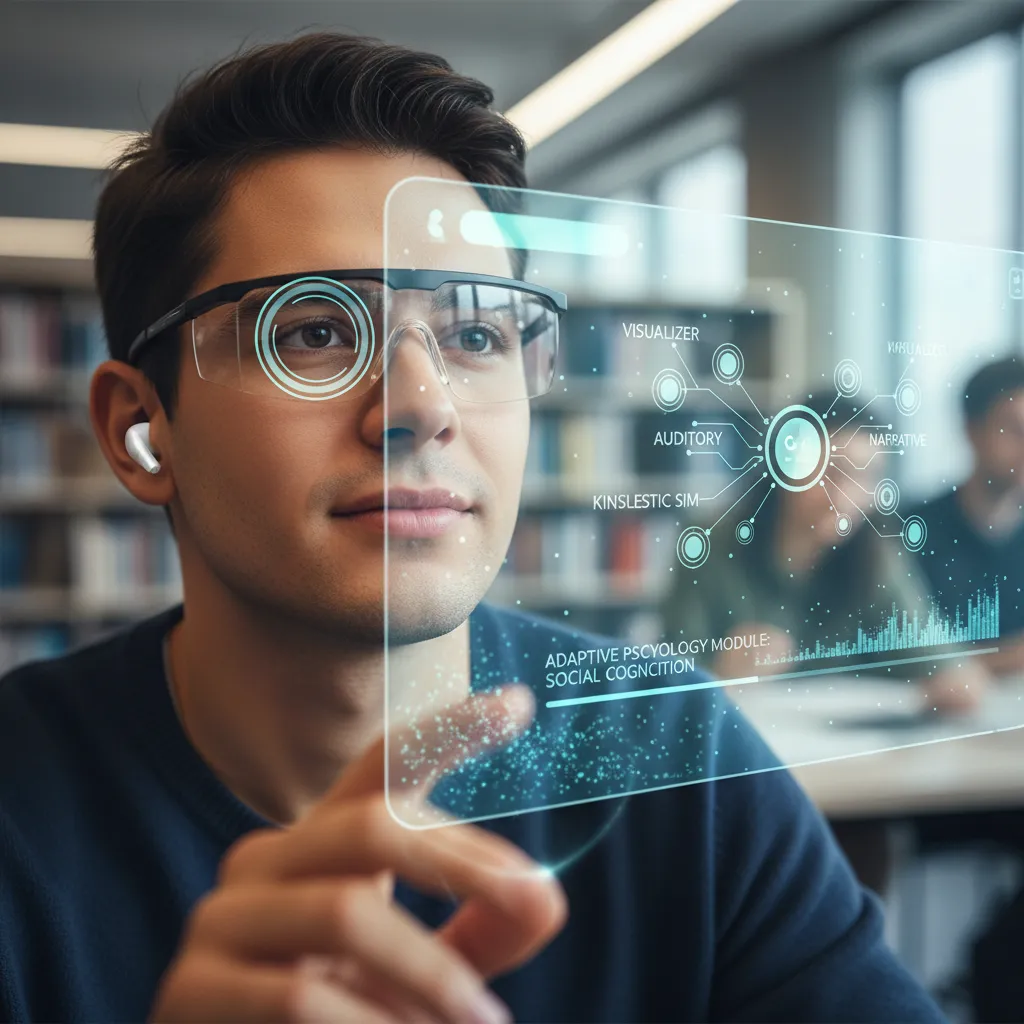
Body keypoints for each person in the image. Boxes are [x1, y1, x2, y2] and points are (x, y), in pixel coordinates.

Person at [0, 33, 943, 1023]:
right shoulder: (22, 820)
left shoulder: (676, 757)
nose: (421, 404)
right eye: (315, 330)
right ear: (139, 428)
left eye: (478, 333)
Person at [911, 356, 1024, 677]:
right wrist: (1009, 658)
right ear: (972, 431)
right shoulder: (911, 533)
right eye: (1015, 429)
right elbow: (895, 655)